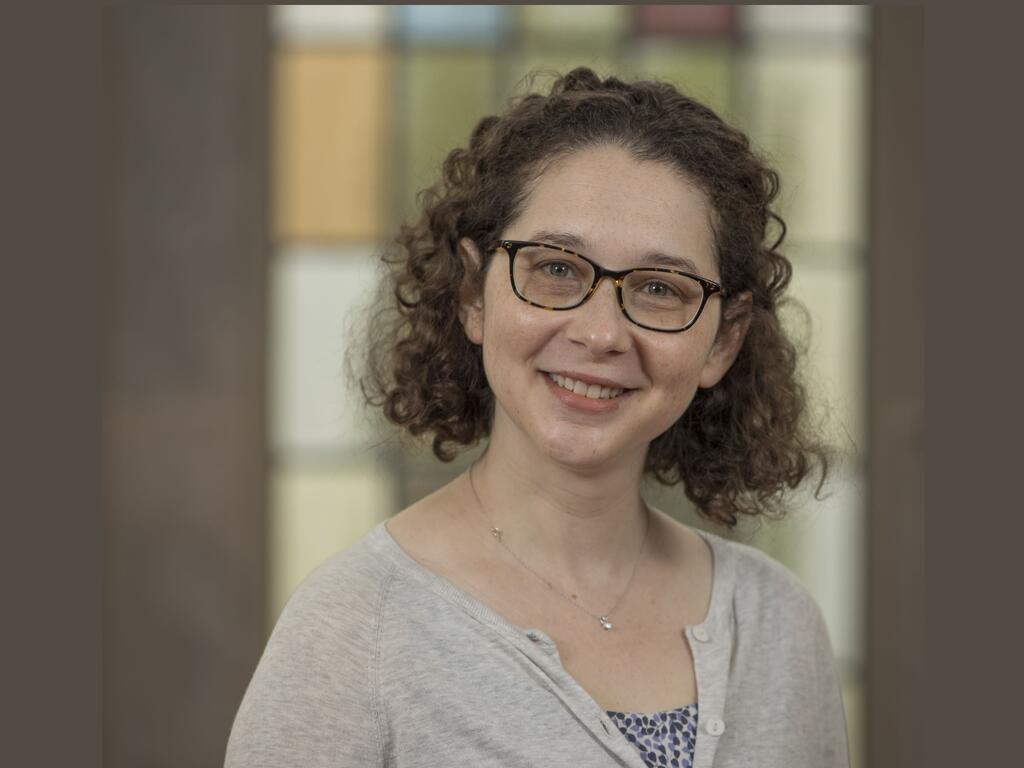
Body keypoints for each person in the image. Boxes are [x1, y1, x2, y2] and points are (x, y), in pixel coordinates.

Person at [225, 67, 849, 768]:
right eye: (556, 269)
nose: (601, 332)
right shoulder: (353, 631)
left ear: (724, 339)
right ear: (471, 293)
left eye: (658, 287)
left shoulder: (779, 627)